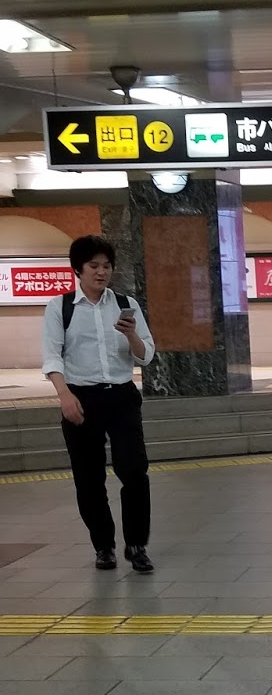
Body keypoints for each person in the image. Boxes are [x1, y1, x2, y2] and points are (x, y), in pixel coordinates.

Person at [41, 235, 156, 574]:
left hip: (121, 396)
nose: (101, 272)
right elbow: (52, 355)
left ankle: (136, 545)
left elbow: (146, 354)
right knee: (89, 478)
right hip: (80, 397)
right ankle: (103, 545)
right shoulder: (60, 307)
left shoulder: (126, 304)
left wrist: (131, 335)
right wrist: (65, 396)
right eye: (93, 266)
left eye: (106, 266)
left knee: (134, 470)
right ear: (78, 269)